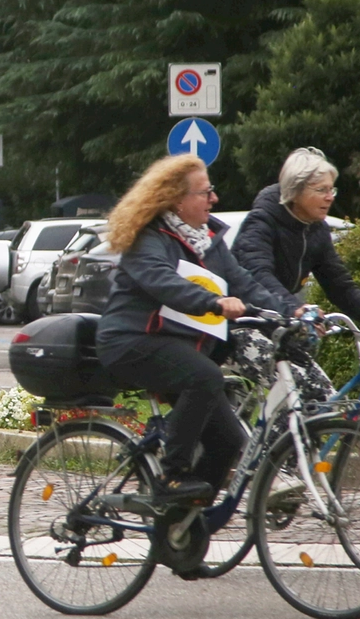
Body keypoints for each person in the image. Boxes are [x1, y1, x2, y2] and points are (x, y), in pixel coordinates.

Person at [95, 154, 291, 505]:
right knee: (204, 376)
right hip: (132, 341)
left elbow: (245, 284)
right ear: (175, 200)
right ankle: (172, 475)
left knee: (227, 442)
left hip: (176, 346)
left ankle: (184, 534)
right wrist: (214, 303)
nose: (213, 199)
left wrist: (294, 311)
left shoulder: (209, 240)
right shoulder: (148, 238)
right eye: (205, 192)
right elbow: (163, 282)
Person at [233, 148, 360, 333]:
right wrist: (296, 309)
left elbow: (340, 286)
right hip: (243, 320)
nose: (330, 197)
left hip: (281, 319)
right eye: (321, 190)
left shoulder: (317, 229)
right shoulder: (262, 221)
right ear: (295, 191)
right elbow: (258, 276)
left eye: (331, 189)